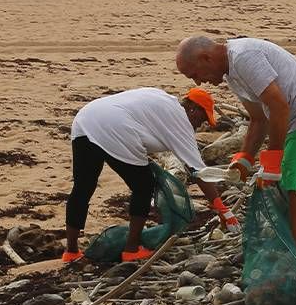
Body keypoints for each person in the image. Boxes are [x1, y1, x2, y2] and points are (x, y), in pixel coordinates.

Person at [175, 36, 296, 259]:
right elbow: (259, 119)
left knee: (293, 192)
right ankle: (288, 254)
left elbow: (279, 107)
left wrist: (272, 162)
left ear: (206, 58)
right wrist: (244, 159)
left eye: (195, 74)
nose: (198, 82)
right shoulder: (232, 74)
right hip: (295, 127)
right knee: (280, 192)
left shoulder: (243, 57)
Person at [64, 87, 238, 263]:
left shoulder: (161, 97)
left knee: (83, 186)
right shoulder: (180, 119)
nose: (201, 125)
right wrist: (223, 210)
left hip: (86, 119)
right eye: (202, 118)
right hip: (116, 126)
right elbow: (200, 172)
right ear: (193, 108)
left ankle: (71, 251)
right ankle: (131, 250)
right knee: (144, 185)